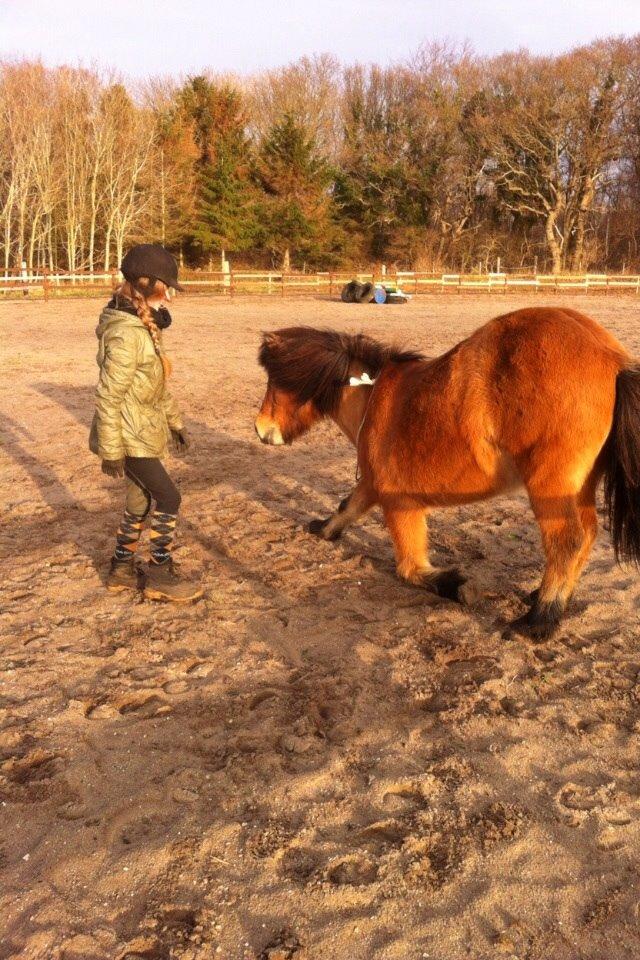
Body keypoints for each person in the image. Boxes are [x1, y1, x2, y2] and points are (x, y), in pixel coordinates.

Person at [89, 243, 202, 602]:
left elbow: (154, 387)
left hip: (142, 430)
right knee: (169, 496)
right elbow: (108, 395)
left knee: (140, 500)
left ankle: (121, 569)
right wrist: (110, 451)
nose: (170, 295)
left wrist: (175, 423)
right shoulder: (126, 335)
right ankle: (159, 572)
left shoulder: (143, 327)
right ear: (144, 284)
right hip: (128, 437)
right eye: (165, 287)